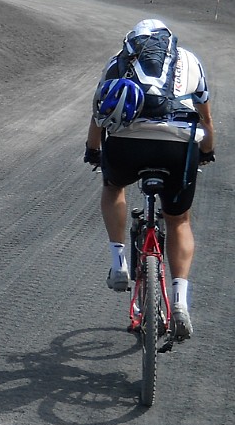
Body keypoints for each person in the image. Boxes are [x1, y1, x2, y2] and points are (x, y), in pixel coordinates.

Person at [84, 19, 216, 340]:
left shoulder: (119, 59)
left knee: (113, 186)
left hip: (127, 144)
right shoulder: (189, 60)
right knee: (179, 220)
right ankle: (180, 301)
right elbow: (206, 118)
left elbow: (100, 112)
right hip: (177, 145)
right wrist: (207, 151)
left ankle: (119, 263)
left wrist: (93, 151)